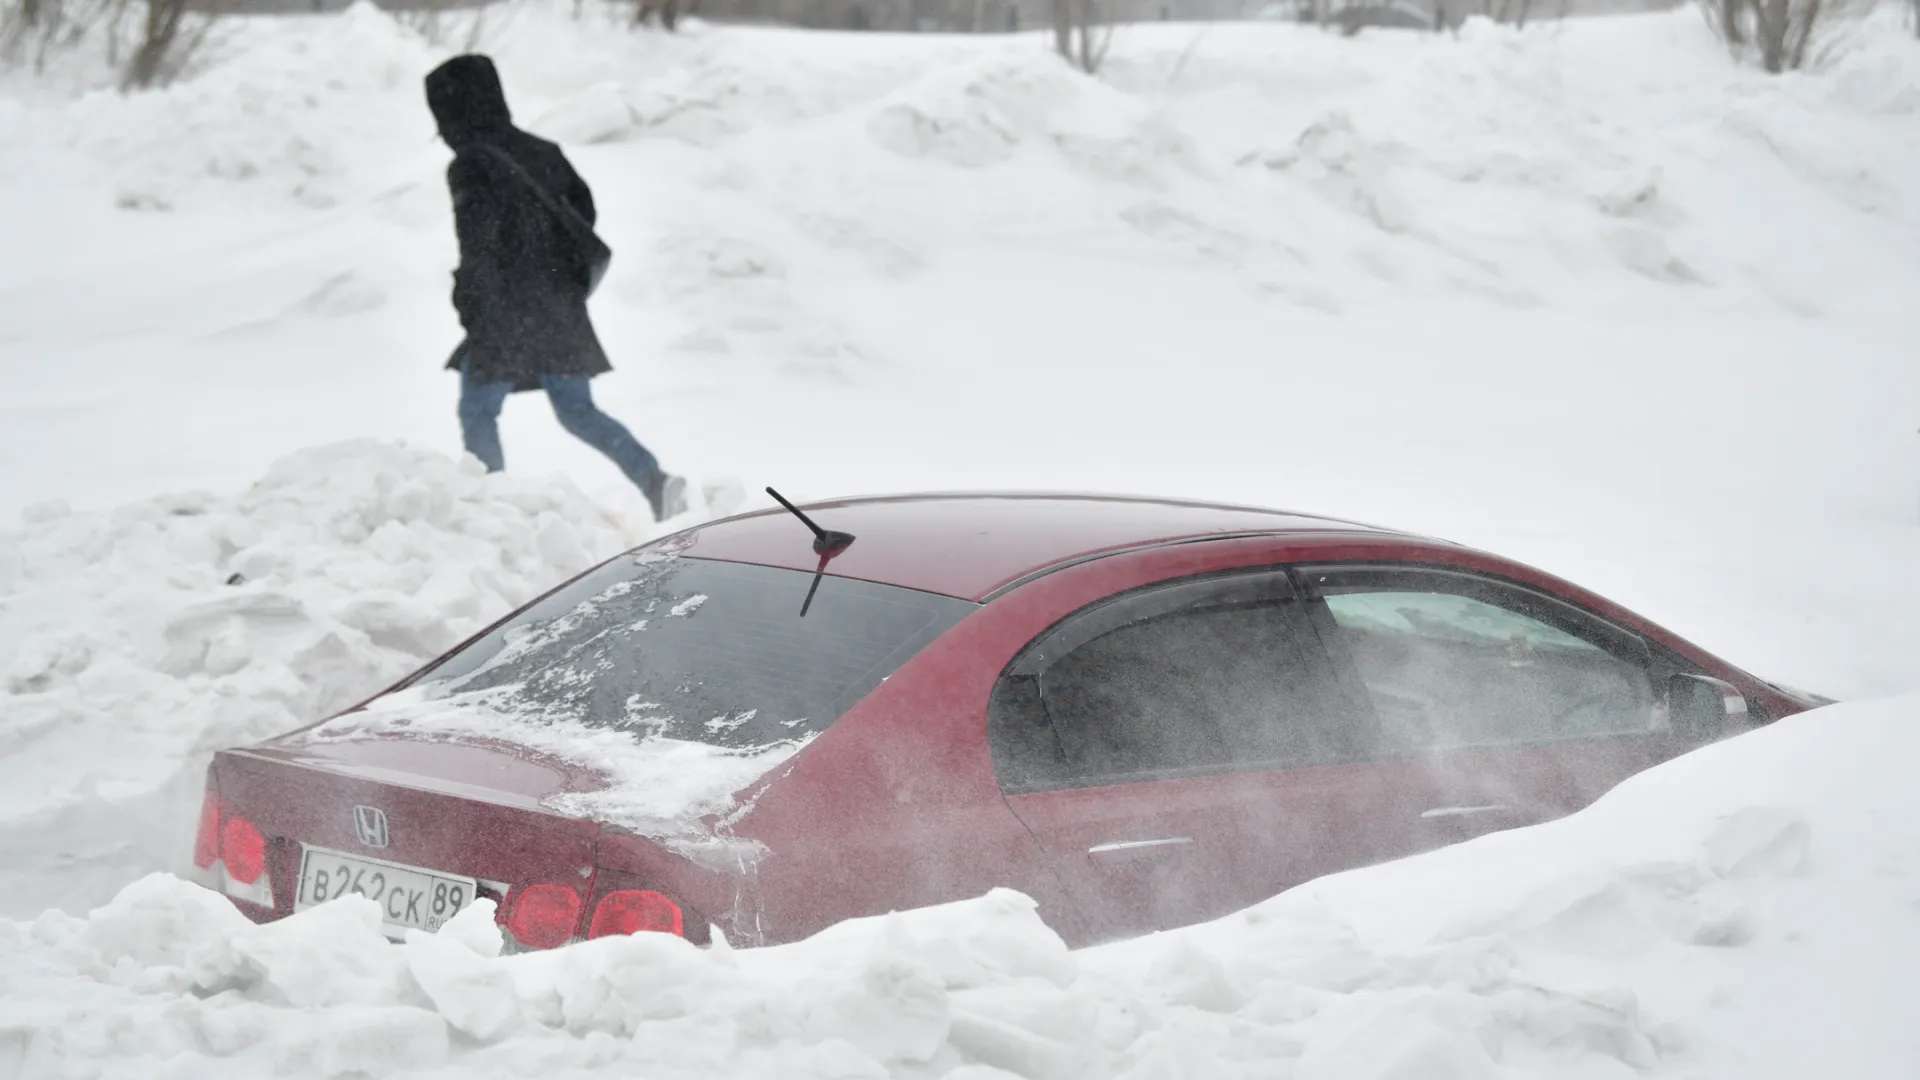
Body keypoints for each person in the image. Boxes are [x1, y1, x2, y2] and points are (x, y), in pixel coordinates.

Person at [425, 54, 686, 522]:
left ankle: (490, 507)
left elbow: (478, 247)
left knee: (477, 409)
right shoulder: (543, 150)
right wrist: (550, 276)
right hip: (557, 304)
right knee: (577, 410)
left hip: (506, 312)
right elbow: (584, 216)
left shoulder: (470, 164)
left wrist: (473, 306)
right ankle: (656, 481)